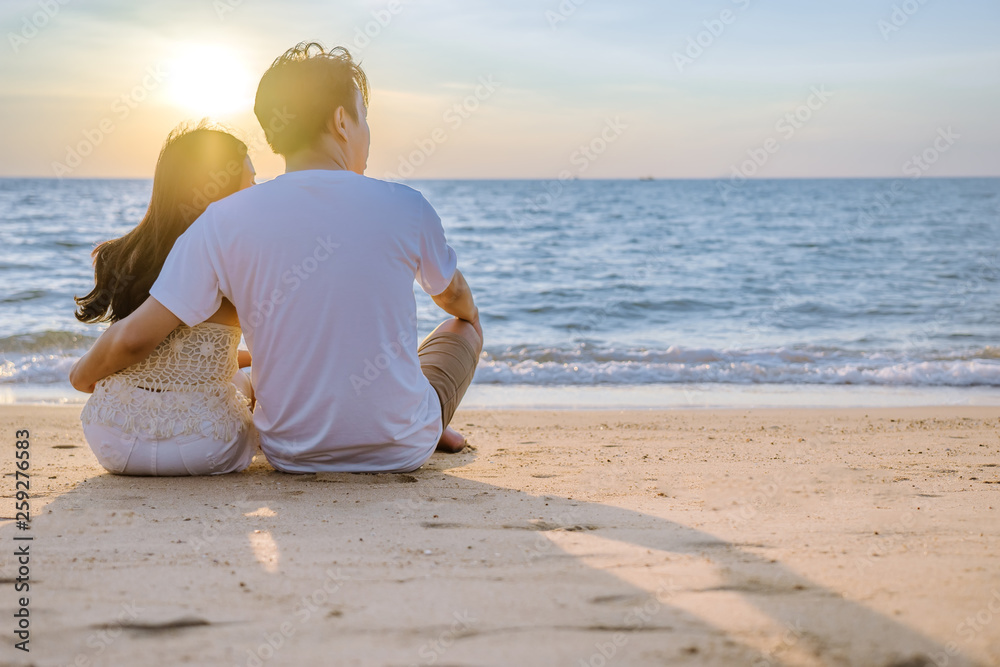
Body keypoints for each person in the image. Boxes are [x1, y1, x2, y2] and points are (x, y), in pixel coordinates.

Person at [70, 42, 483, 474]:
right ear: (342, 121)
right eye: (364, 118)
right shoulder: (406, 205)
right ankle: (424, 421)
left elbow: (138, 337)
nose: (368, 135)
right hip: (402, 451)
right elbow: (452, 294)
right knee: (461, 326)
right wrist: (468, 312)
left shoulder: (221, 219)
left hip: (289, 452)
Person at [72, 123, 259, 476]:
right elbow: (135, 341)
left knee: (228, 373)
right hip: (203, 447)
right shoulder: (236, 257)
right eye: (248, 181)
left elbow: (173, 349)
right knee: (243, 383)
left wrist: (84, 373)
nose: (254, 191)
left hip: (111, 438)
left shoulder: (122, 254)